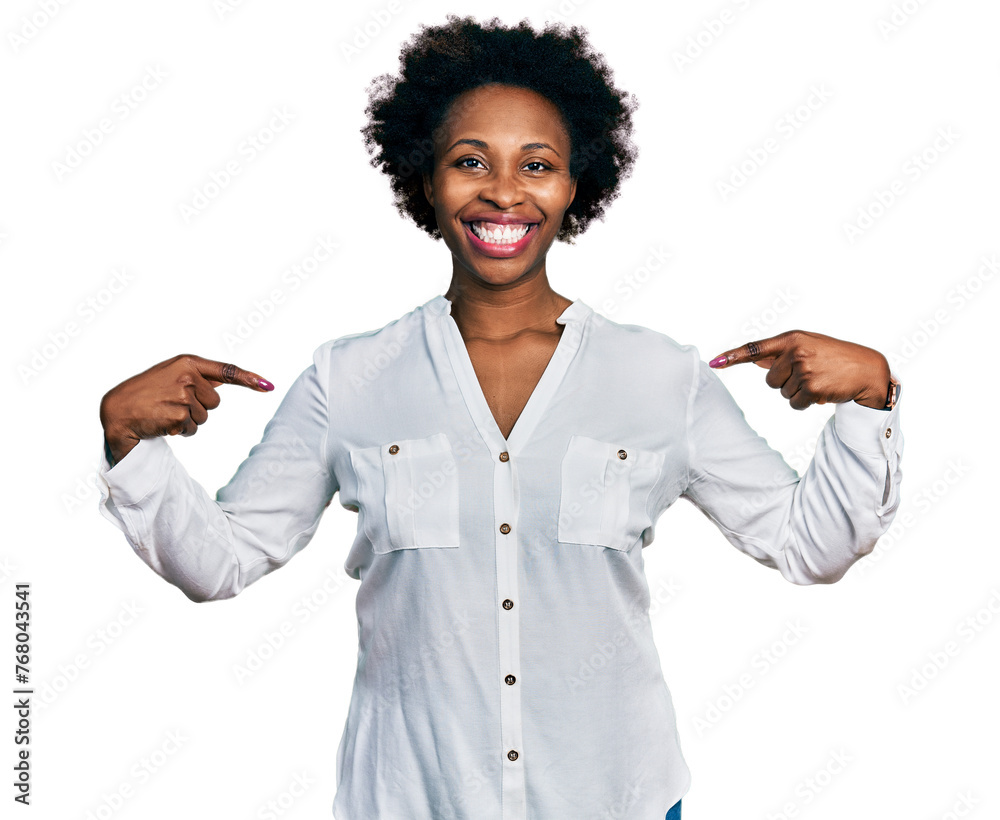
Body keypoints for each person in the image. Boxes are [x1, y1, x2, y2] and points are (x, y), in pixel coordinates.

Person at [96, 16, 903, 820]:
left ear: (577, 183)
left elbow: (808, 545)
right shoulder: (349, 380)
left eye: (538, 165)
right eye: (470, 161)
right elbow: (223, 560)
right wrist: (131, 446)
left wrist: (869, 402)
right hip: (411, 802)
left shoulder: (660, 378)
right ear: (425, 179)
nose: (505, 192)